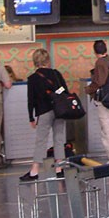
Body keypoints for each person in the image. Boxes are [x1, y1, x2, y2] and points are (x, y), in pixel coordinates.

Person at [21, 48, 70, 181]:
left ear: (34, 61)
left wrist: (31, 117)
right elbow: (65, 91)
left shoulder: (33, 78)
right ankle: (59, 168)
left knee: (41, 141)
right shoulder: (56, 74)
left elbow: (31, 99)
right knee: (59, 139)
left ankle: (35, 170)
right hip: (59, 111)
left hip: (43, 111)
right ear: (47, 60)